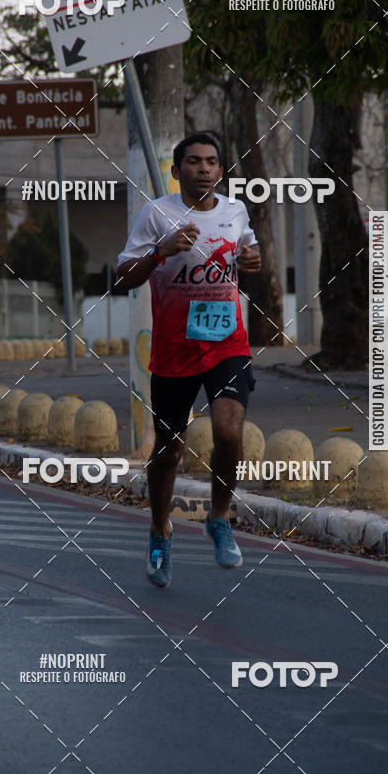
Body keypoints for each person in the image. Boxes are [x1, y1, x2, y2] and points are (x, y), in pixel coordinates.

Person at [115, 132, 261, 588]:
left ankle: (218, 518)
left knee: (228, 431)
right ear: (177, 171)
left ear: (220, 171)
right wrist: (161, 250)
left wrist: (253, 260)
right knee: (169, 449)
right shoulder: (156, 214)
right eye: (194, 162)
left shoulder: (235, 211)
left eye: (212, 162)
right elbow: (124, 275)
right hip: (174, 351)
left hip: (227, 345)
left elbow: (247, 254)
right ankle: (160, 530)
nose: (204, 168)